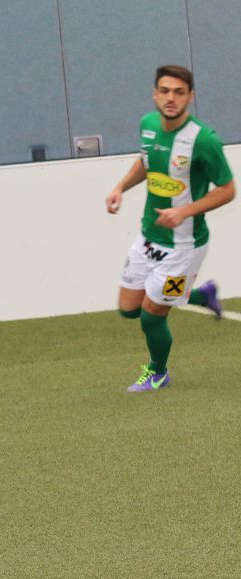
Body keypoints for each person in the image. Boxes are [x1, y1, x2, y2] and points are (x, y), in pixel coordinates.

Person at [105, 65, 234, 391]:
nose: (170, 98)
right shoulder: (148, 125)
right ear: (155, 94)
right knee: (129, 310)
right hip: (149, 238)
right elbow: (146, 161)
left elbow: (228, 190)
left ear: (191, 97)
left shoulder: (204, 140)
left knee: (152, 315)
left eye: (179, 92)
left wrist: (184, 211)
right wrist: (120, 187)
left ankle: (158, 373)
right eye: (164, 91)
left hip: (184, 247)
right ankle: (201, 295)